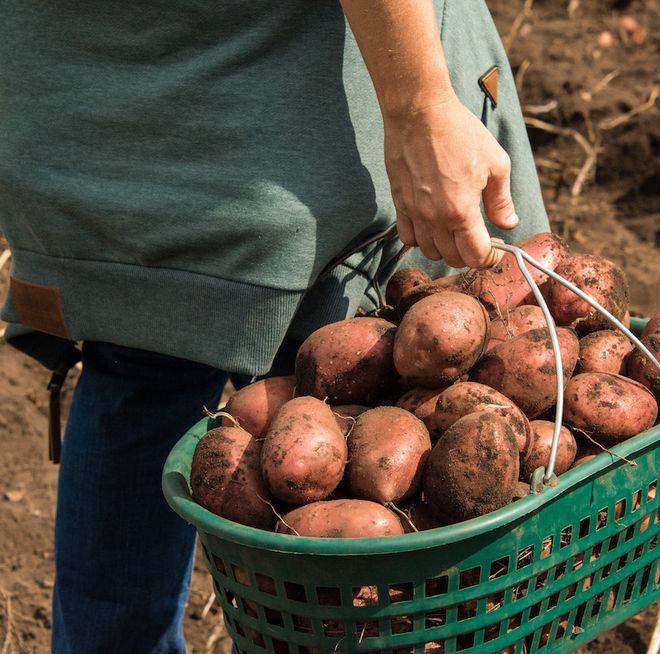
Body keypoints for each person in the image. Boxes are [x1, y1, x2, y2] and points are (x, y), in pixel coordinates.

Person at [0, 1, 549, 652]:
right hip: (273, 117)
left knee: (140, 374)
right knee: (340, 383)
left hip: (91, 108)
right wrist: (420, 104)